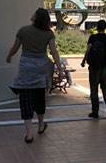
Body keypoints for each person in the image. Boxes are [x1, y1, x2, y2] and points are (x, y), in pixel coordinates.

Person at [6, 8, 63, 143]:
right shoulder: (49, 34)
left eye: (34, 13)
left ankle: (29, 134)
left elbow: (15, 47)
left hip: (26, 70)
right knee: (39, 99)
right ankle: (41, 126)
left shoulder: (23, 30)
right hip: (41, 71)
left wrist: (9, 56)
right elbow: (54, 52)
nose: (32, 14)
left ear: (37, 17)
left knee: (25, 100)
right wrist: (59, 69)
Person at [81, 20, 106, 118]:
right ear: (105, 27)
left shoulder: (93, 37)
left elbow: (88, 50)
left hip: (94, 66)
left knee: (94, 88)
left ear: (97, 27)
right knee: (105, 87)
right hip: (105, 66)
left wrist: (84, 60)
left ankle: (95, 111)